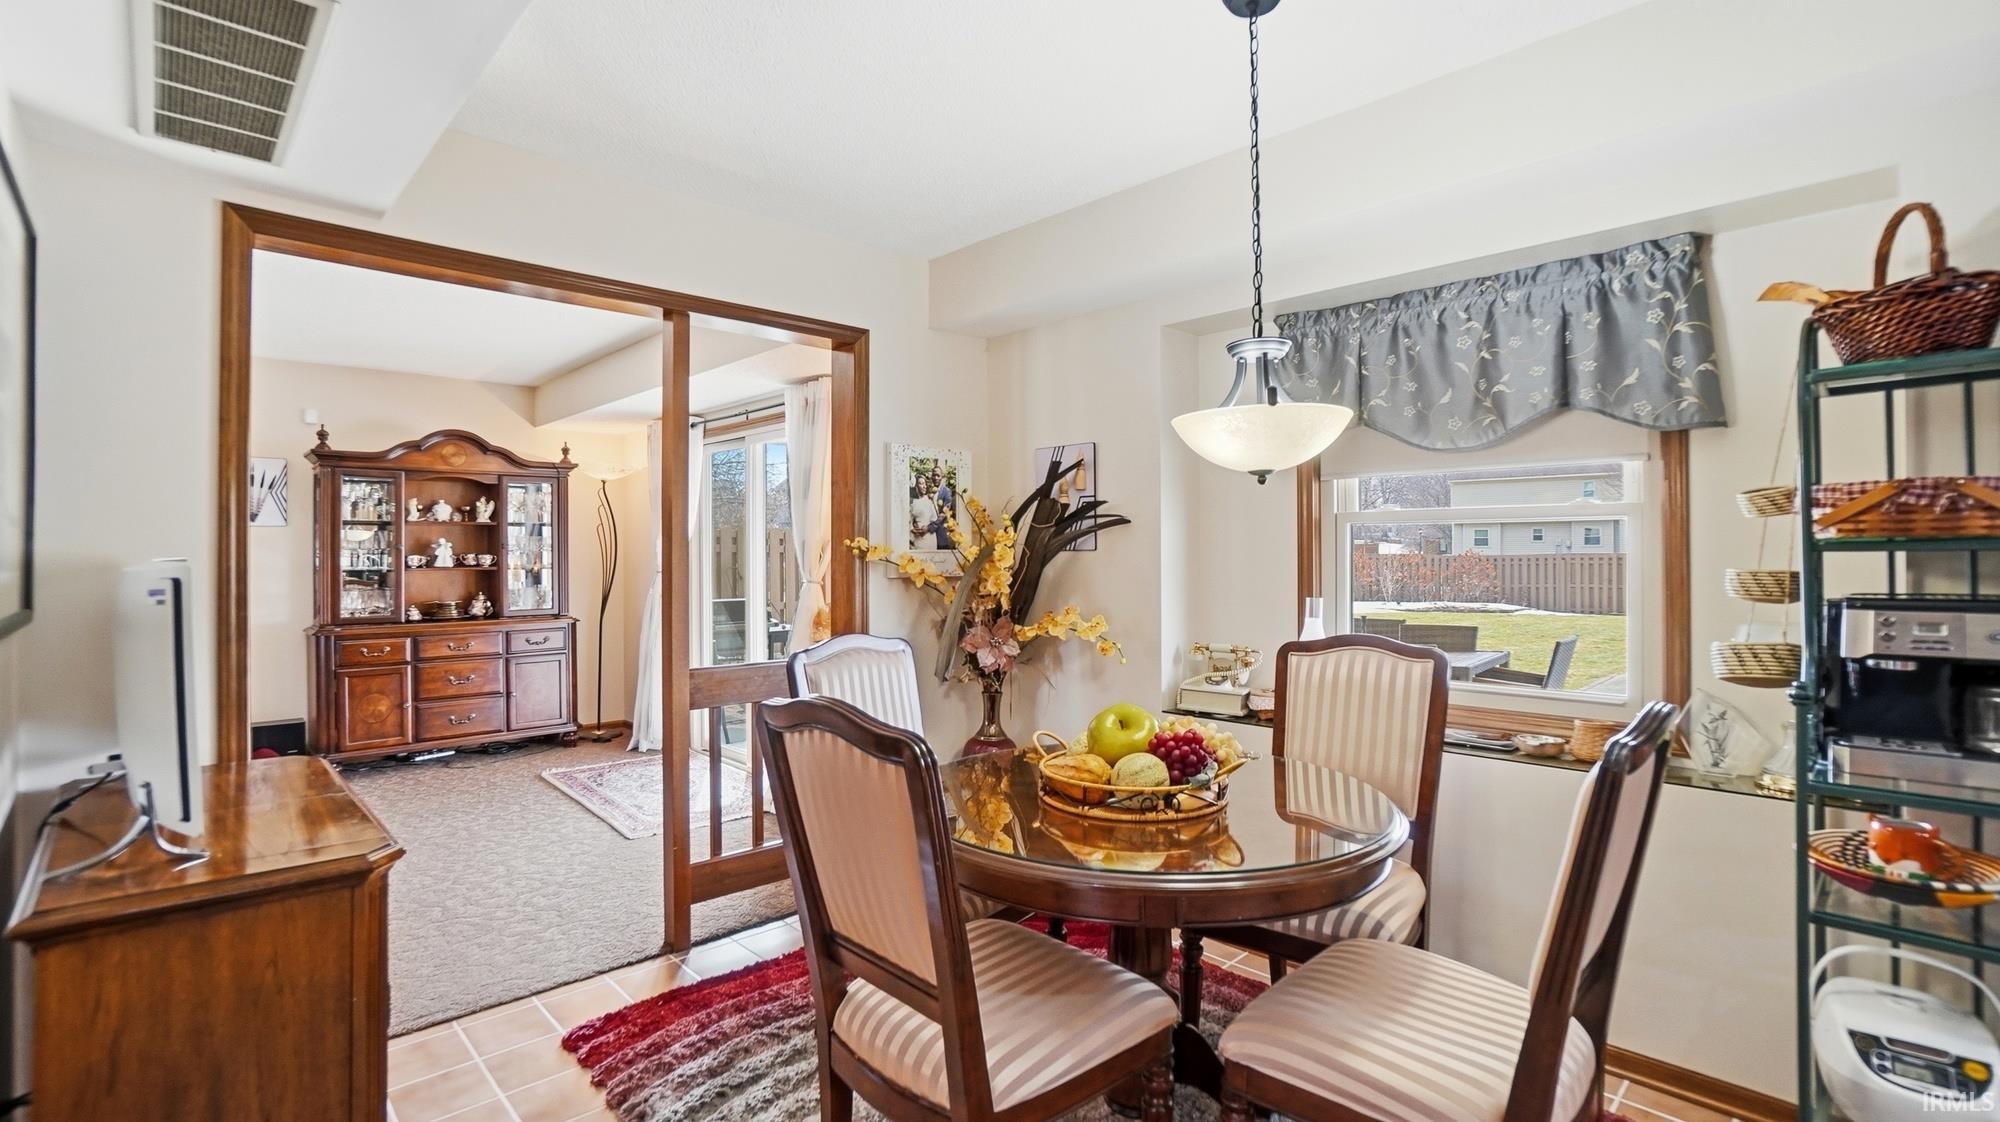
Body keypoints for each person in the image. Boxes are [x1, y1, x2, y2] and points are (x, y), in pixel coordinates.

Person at [909, 476, 937, 550]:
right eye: (921, 484)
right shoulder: (911, 502)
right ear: (916, 486)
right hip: (917, 538)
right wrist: (912, 529)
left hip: (930, 537)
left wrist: (927, 528)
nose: (924, 486)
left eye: (925, 483)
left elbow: (935, 519)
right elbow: (908, 520)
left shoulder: (929, 500)